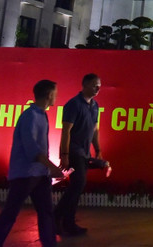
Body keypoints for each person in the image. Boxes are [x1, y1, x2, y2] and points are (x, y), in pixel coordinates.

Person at [0, 80, 63, 247]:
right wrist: (52, 167)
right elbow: (32, 149)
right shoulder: (30, 116)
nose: (56, 97)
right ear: (49, 95)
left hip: (40, 173)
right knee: (11, 213)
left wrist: (48, 169)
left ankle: (49, 243)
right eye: (55, 94)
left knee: (46, 212)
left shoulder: (41, 115)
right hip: (25, 174)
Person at [54, 73, 103, 236]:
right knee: (77, 185)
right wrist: (64, 154)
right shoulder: (73, 104)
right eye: (94, 85)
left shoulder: (95, 106)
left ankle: (66, 222)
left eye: (99, 85)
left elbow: (94, 129)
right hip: (74, 151)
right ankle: (58, 218)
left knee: (77, 187)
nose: (98, 88)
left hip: (85, 153)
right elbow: (66, 131)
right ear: (85, 85)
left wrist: (98, 149)